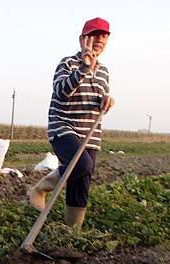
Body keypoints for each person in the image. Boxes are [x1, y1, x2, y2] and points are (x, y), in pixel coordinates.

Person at [28, 17, 115, 229]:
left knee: (81, 182)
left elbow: (97, 99)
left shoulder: (104, 72)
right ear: (82, 39)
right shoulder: (67, 63)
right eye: (94, 35)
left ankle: (71, 230)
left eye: (104, 36)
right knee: (81, 164)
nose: (99, 40)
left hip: (90, 134)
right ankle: (40, 189)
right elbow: (61, 92)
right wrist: (84, 68)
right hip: (64, 127)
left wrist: (106, 100)